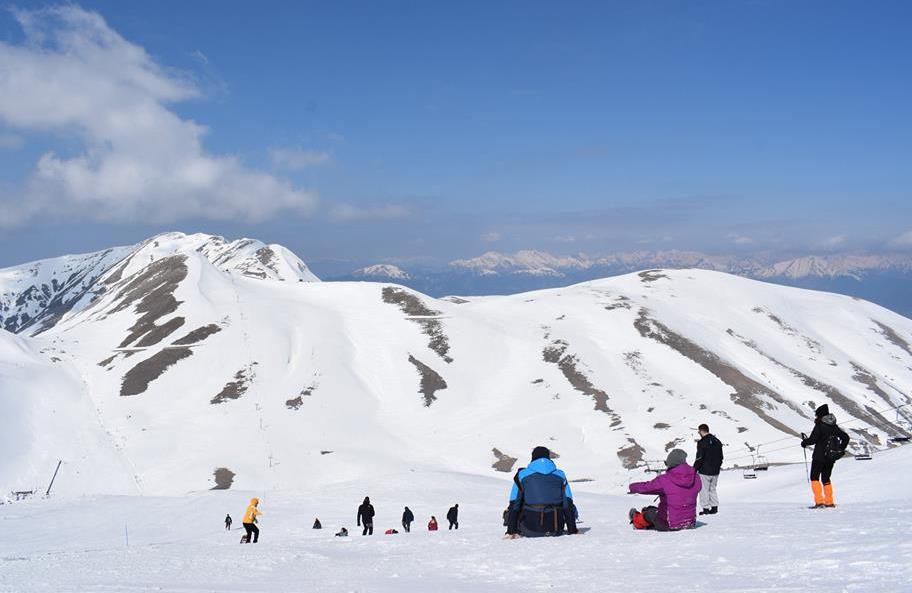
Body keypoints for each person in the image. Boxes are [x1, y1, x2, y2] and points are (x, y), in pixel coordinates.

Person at [505, 446, 579, 538]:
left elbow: (514, 504)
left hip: (529, 529)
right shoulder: (560, 475)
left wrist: (511, 531)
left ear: (533, 458)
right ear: (548, 458)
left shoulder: (522, 475)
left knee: (520, 500)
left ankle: (513, 530)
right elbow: (567, 503)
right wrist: (572, 530)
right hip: (556, 529)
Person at [628, 449, 701, 531]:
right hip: (690, 523)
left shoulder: (665, 480)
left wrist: (632, 487)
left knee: (650, 512)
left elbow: (647, 487)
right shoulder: (696, 477)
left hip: (668, 524)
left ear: (671, 463)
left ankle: (636, 520)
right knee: (661, 510)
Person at [801, 404, 850, 508]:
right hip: (830, 458)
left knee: (814, 477)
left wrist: (804, 442)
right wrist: (840, 449)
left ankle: (819, 502)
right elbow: (846, 437)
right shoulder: (834, 426)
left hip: (819, 456)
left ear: (820, 415)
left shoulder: (820, 425)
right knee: (826, 478)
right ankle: (829, 502)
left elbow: (813, 440)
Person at [694, 423, 724, 515]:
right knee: (713, 489)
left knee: (704, 489)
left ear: (701, 431)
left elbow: (699, 458)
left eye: (699, 431)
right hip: (715, 471)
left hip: (704, 470)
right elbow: (721, 457)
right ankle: (714, 507)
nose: (698, 433)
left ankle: (706, 509)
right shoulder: (717, 441)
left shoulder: (702, 442)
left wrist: (694, 469)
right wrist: (717, 466)